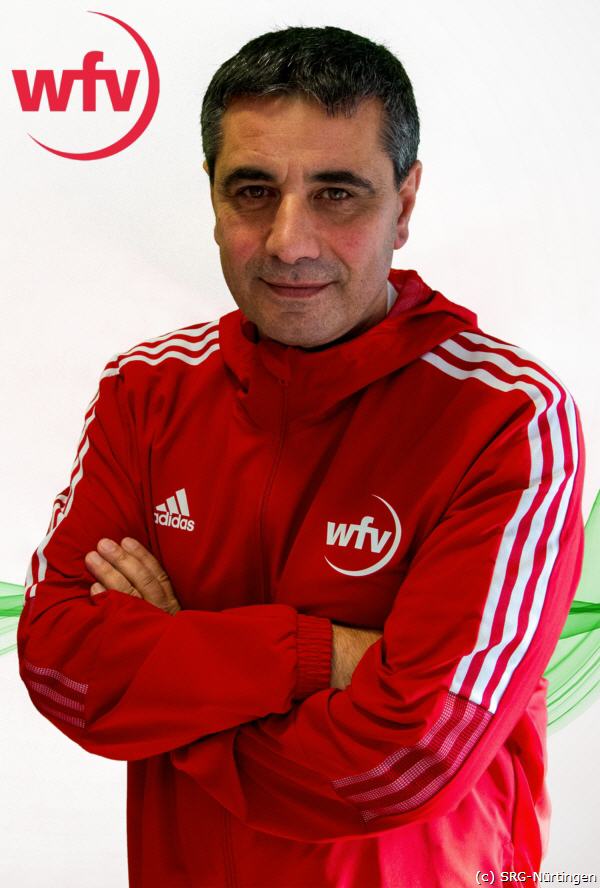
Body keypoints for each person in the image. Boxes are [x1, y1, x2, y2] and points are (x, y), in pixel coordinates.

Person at [17, 25, 585, 888]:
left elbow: (405, 762)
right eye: (253, 191)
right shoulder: (146, 391)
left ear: (406, 203)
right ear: (211, 197)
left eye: (337, 193)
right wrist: (317, 656)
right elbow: (61, 666)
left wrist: (173, 671)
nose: (289, 241)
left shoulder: (506, 417)